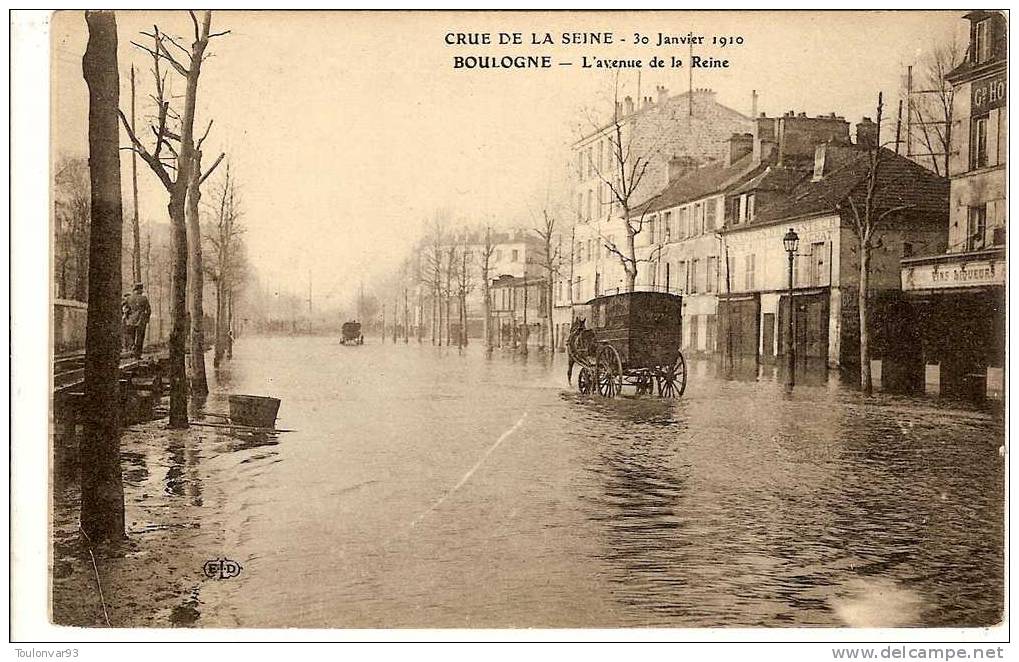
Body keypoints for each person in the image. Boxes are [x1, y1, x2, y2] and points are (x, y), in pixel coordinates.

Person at [124, 283, 152, 359]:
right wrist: (147, 319)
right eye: (141, 289)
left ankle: (132, 347)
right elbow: (149, 310)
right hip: (141, 320)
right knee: (140, 337)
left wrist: (127, 316)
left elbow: (125, 308)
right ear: (139, 290)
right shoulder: (144, 298)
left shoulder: (129, 298)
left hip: (131, 320)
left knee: (131, 336)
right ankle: (137, 355)